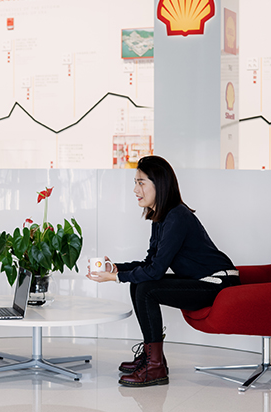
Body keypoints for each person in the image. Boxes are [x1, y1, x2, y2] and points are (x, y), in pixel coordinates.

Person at [87, 155, 239, 387]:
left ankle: (155, 367)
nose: (135, 189)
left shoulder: (177, 216)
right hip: (201, 280)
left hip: (217, 283)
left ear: (159, 184)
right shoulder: (161, 217)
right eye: (135, 182)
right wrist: (117, 268)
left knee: (146, 288)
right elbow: (151, 262)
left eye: (141, 182)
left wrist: (115, 277)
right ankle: (152, 359)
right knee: (139, 283)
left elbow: (156, 271)